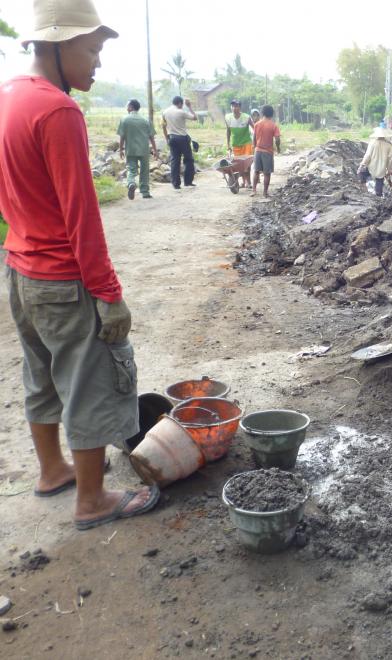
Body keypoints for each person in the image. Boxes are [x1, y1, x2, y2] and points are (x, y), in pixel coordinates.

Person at [0, 0, 159, 530]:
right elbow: (81, 216)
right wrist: (108, 293)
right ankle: (92, 500)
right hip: (63, 280)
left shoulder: (9, 96)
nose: (97, 62)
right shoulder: (58, 110)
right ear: (57, 44)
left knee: (42, 375)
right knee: (88, 382)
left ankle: (52, 470)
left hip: (21, 269)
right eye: (91, 49)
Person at [117, 98, 158, 199]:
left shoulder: (124, 119)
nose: (126, 107)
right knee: (144, 171)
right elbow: (151, 137)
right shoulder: (146, 120)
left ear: (131, 107)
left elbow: (122, 136)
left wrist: (121, 149)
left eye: (127, 105)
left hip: (130, 149)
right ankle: (145, 192)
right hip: (144, 150)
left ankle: (131, 183)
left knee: (131, 169)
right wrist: (155, 150)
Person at [161, 95, 197, 189]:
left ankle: (176, 184)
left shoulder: (165, 112)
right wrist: (189, 106)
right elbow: (195, 117)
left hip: (172, 138)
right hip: (182, 138)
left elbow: (163, 126)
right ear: (180, 103)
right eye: (182, 104)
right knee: (188, 160)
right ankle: (188, 181)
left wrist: (167, 138)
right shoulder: (181, 112)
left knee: (175, 161)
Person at [251, 104, 280, 197]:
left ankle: (254, 190)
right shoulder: (273, 125)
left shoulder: (257, 124)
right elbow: (277, 139)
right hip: (268, 152)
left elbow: (254, 138)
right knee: (267, 174)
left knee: (256, 171)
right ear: (272, 114)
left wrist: (255, 147)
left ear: (262, 113)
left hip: (258, 151)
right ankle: (265, 192)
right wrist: (278, 148)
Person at [225, 99, 253, 188]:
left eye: (236, 106)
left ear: (240, 108)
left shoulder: (246, 117)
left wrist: (256, 140)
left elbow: (255, 128)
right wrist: (228, 144)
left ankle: (249, 182)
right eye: (233, 106)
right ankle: (243, 182)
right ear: (231, 107)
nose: (234, 108)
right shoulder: (228, 117)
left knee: (247, 164)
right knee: (239, 165)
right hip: (236, 144)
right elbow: (228, 131)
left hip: (246, 143)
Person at [358, 127, 392, 197]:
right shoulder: (389, 146)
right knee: (379, 182)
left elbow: (368, 155)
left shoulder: (372, 143)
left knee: (361, 173)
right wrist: (389, 170)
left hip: (371, 166)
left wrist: (362, 164)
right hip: (382, 168)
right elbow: (390, 160)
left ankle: (364, 187)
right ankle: (379, 197)